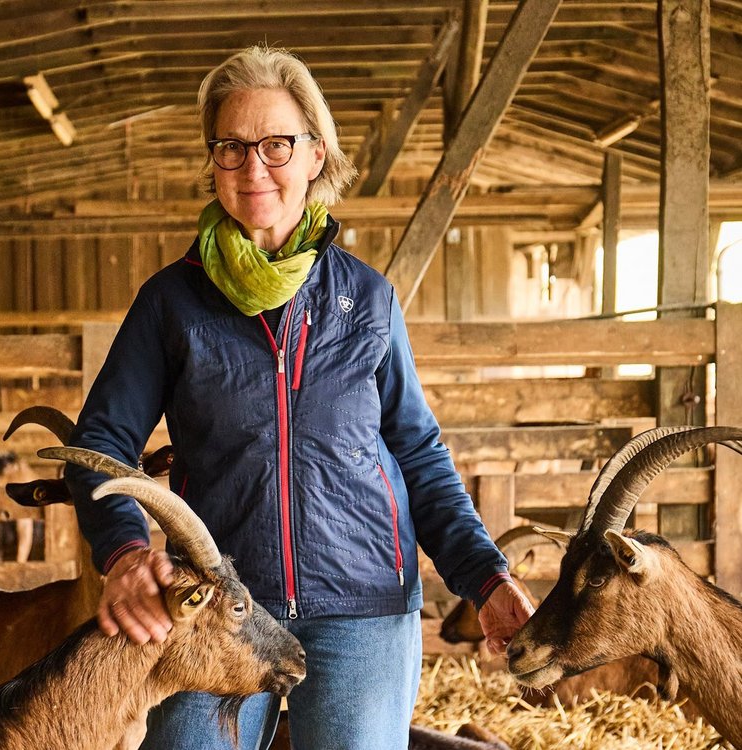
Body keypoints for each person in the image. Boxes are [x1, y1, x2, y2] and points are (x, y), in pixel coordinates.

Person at [64, 44, 534, 750]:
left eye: (277, 145)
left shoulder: (367, 299)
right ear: (213, 162)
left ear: (316, 155)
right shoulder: (172, 303)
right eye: (232, 147)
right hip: (217, 610)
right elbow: (100, 442)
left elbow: (416, 454)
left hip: (362, 607)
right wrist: (126, 554)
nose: (254, 167)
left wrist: (486, 578)